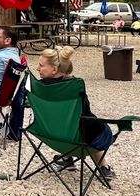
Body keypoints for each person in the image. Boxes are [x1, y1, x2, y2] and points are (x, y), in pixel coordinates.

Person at [37, 46, 115, 180]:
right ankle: (103, 167)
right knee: (91, 123)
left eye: (41, 66)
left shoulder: (38, 88)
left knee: (68, 121)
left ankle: (67, 157)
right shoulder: (75, 87)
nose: (37, 69)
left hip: (51, 134)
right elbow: (85, 113)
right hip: (80, 138)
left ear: (54, 69)